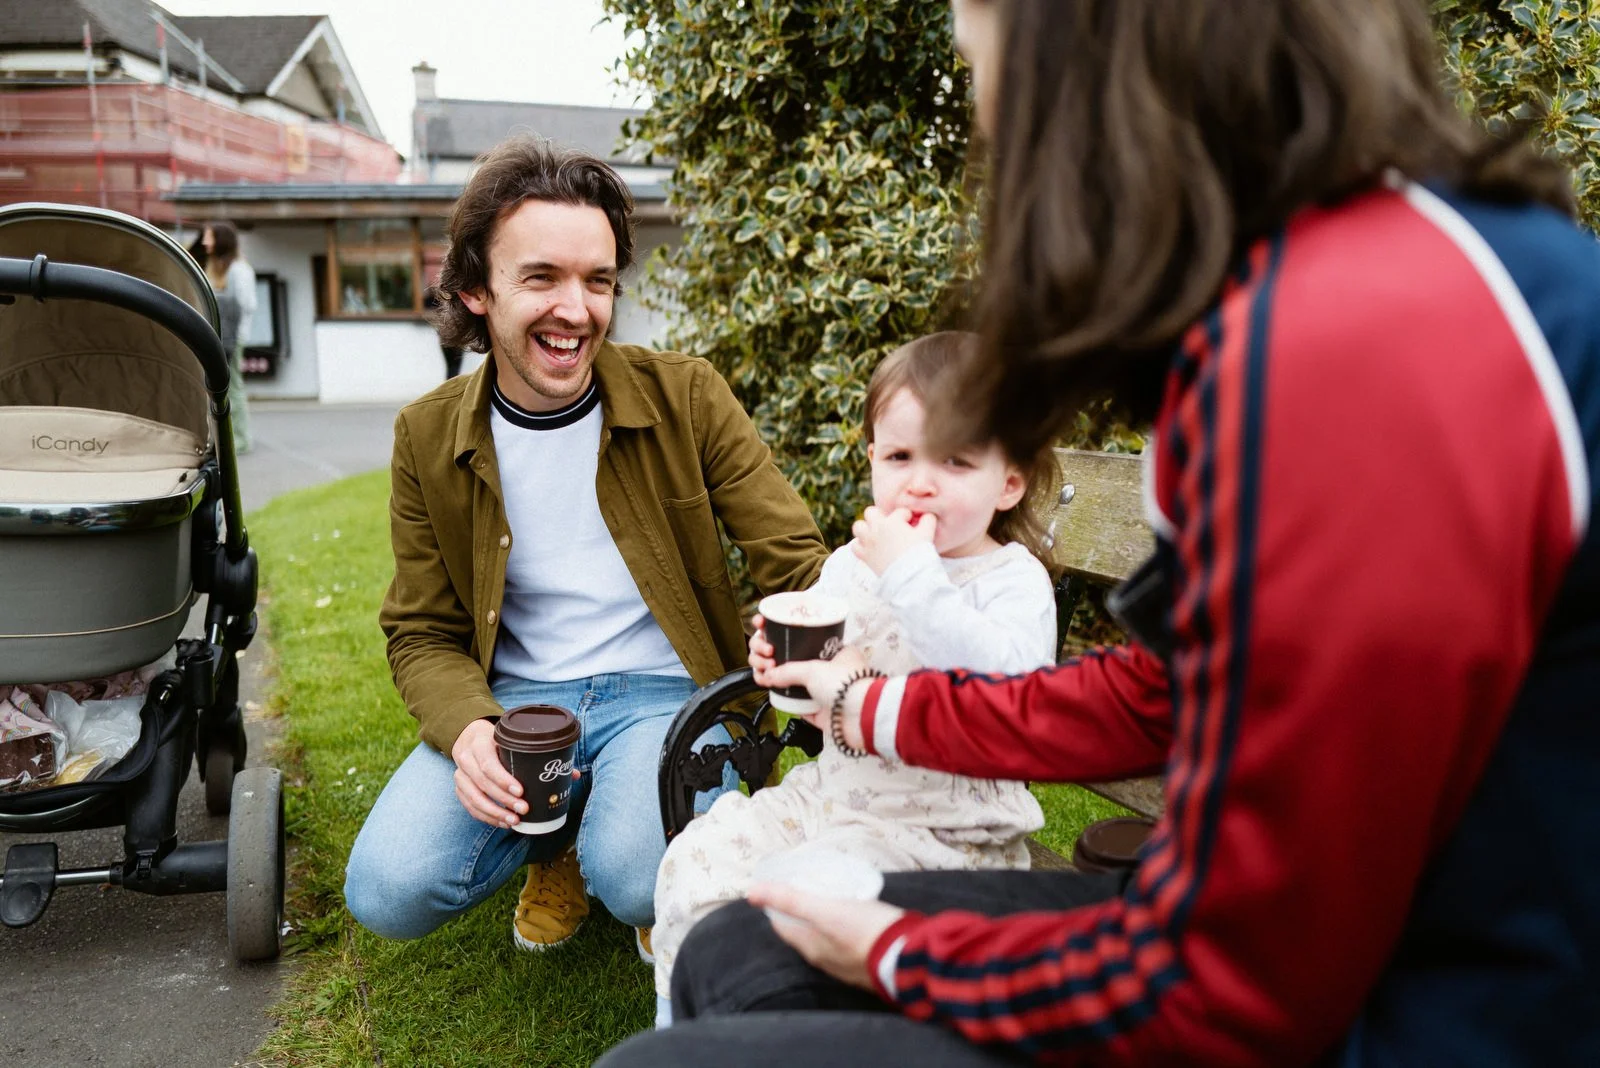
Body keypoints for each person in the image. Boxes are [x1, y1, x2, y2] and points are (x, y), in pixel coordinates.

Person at [600, 0, 1600, 1064]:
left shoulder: (1341, 350)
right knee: (736, 952)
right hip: (1321, 962)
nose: (992, 135)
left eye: (984, 71)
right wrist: (868, 705)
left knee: (661, 1055)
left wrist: (902, 953)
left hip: (1433, 1015)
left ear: (1076, 79)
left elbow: (1232, 987)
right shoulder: (1324, 292)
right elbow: (1165, 694)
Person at [344, 136, 830, 963]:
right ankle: (554, 840)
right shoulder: (425, 434)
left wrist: (818, 653)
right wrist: (468, 731)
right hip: (523, 708)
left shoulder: (687, 395)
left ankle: (614, 848)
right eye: (542, 277)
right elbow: (421, 631)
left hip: (668, 695)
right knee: (388, 888)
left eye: (597, 280)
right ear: (475, 290)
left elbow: (796, 560)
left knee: (639, 873)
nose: (577, 309)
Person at [651, 332, 1057, 1026]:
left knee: (800, 903)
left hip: (945, 831)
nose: (920, 482)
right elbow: (824, 678)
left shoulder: (1012, 583)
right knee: (699, 858)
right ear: (872, 458)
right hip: (834, 795)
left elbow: (1006, 691)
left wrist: (912, 575)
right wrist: (786, 669)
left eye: (955, 461)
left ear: (1008, 481)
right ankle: (685, 1031)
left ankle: (776, 1031)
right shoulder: (853, 563)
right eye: (899, 456)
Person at [196, 221, 256, 455]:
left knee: (234, 388)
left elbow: (246, 305)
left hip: (232, 339)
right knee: (222, 389)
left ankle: (241, 440)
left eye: (209, 237)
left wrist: (232, 338)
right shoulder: (217, 268)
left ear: (221, 240)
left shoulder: (238, 270)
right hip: (220, 338)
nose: (204, 242)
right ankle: (229, 438)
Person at [424, 285, 465, 379]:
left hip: (445, 341)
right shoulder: (458, 308)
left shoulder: (441, 308)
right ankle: (452, 387)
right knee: (454, 367)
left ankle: (450, 386)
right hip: (455, 341)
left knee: (451, 366)